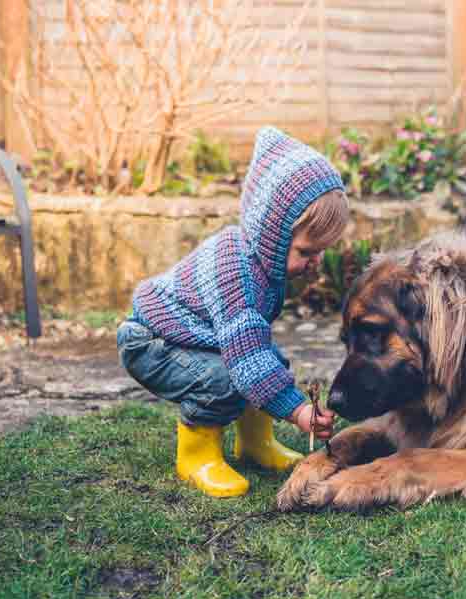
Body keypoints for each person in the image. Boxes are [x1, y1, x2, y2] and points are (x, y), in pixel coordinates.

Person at [116, 127, 344, 497]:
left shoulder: (263, 263)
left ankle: (254, 443)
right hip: (150, 341)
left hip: (186, 336)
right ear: (273, 233)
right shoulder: (237, 273)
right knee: (223, 379)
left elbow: (257, 354)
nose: (315, 263)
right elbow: (248, 363)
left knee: (271, 359)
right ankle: (197, 454)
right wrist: (300, 413)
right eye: (306, 252)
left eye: (321, 252)